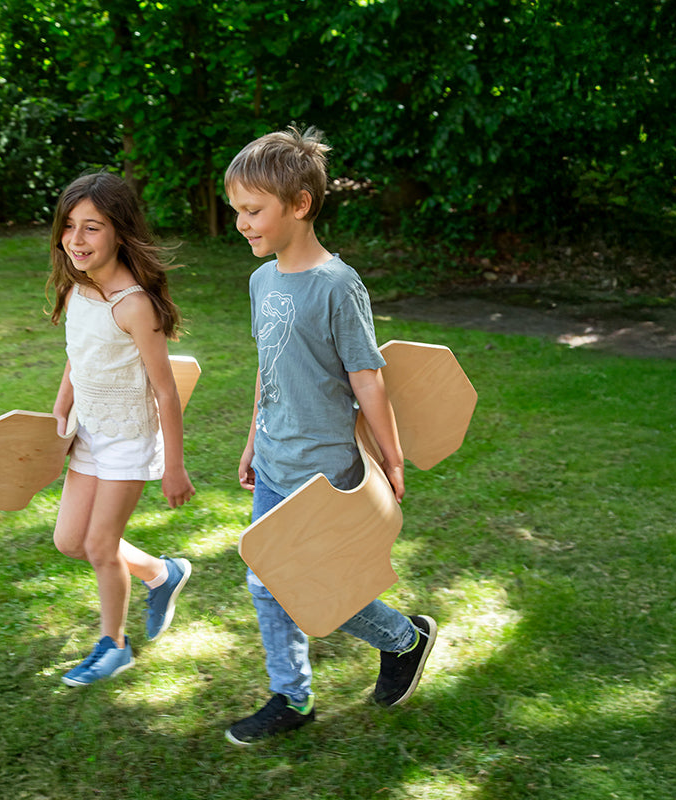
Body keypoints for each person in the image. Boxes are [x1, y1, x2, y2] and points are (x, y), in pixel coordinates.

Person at [223, 127, 437, 744]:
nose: (241, 223)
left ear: (300, 204)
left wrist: (392, 461)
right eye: (237, 210)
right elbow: (269, 368)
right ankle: (292, 697)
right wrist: (252, 441)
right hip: (274, 462)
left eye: (253, 210)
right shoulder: (262, 282)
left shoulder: (338, 286)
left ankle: (403, 639)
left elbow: (368, 379)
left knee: (309, 586)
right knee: (269, 583)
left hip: (324, 472)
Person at [46, 171, 195, 687]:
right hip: (88, 433)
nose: (76, 239)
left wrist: (173, 467)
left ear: (120, 231)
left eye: (92, 227)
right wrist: (59, 415)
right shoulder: (77, 290)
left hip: (129, 440)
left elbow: (166, 392)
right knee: (71, 541)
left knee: (100, 546)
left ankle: (114, 646)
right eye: (69, 226)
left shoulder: (134, 305)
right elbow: (78, 357)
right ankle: (162, 573)